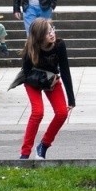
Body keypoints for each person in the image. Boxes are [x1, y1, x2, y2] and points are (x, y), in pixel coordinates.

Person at [19, 18, 75, 160]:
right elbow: (26, 73)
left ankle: (44, 145)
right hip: (33, 81)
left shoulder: (59, 45)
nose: (52, 34)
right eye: (47, 32)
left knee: (62, 113)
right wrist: (43, 80)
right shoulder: (30, 48)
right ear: (39, 36)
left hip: (52, 81)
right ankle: (25, 153)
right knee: (38, 113)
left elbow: (65, 71)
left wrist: (71, 99)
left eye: (52, 30)